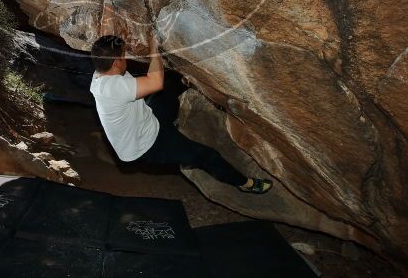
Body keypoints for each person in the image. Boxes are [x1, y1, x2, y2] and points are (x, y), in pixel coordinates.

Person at [89, 34, 273, 194]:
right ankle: (244, 184)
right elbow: (155, 82)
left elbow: (106, 42)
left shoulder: (101, 71)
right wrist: (155, 50)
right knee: (207, 156)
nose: (126, 57)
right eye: (123, 55)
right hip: (145, 145)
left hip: (146, 121)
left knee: (169, 91)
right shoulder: (112, 88)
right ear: (116, 63)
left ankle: (177, 127)